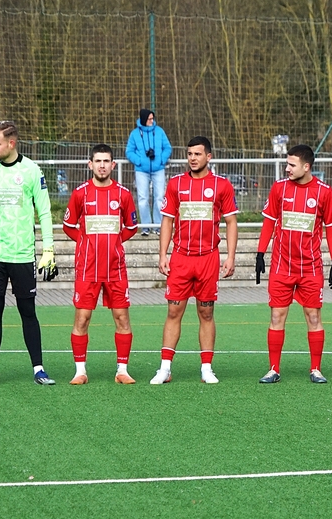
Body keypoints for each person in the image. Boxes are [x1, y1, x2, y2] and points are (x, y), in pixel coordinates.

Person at [0, 121, 58, 386]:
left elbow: (44, 212)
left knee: (27, 311)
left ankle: (39, 369)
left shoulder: (31, 170)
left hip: (22, 255)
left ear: (11, 143)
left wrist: (49, 249)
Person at [151, 136, 237, 385]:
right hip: (181, 258)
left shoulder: (221, 185)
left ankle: (206, 368)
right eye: (189, 154)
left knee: (206, 313)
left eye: (198, 154)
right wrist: (163, 254)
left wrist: (230, 256)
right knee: (173, 311)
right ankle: (165, 368)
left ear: (208, 157)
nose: (193, 158)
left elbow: (231, 222)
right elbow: (167, 220)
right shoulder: (176, 184)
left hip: (208, 258)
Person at [255, 144, 332, 384]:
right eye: (287, 164)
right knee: (277, 315)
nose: (287, 168)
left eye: (292, 165)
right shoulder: (279, 188)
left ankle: (316, 369)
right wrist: (260, 253)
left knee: (313, 316)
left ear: (306, 166)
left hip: (310, 267)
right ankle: (273, 369)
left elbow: (331, 228)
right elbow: (269, 222)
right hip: (281, 265)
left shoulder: (324, 192)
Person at [63, 144, 139, 385]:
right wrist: (85, 242)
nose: (102, 165)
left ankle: (122, 370)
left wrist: (115, 242)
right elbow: (68, 226)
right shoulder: (80, 194)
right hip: (87, 268)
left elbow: (132, 227)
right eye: (98, 161)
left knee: (122, 318)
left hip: (116, 269)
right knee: (82, 319)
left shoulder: (123, 194)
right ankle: (80, 371)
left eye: (106, 161)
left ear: (113, 165)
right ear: (90, 164)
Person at [126, 108, 172, 236]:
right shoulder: (134, 134)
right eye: (149, 119)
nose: (152, 121)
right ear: (144, 119)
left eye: (152, 118)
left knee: (159, 198)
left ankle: (158, 226)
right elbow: (129, 151)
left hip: (158, 169)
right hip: (141, 170)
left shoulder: (160, 131)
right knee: (143, 198)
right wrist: (139, 161)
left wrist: (161, 160)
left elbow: (167, 148)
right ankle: (145, 227)